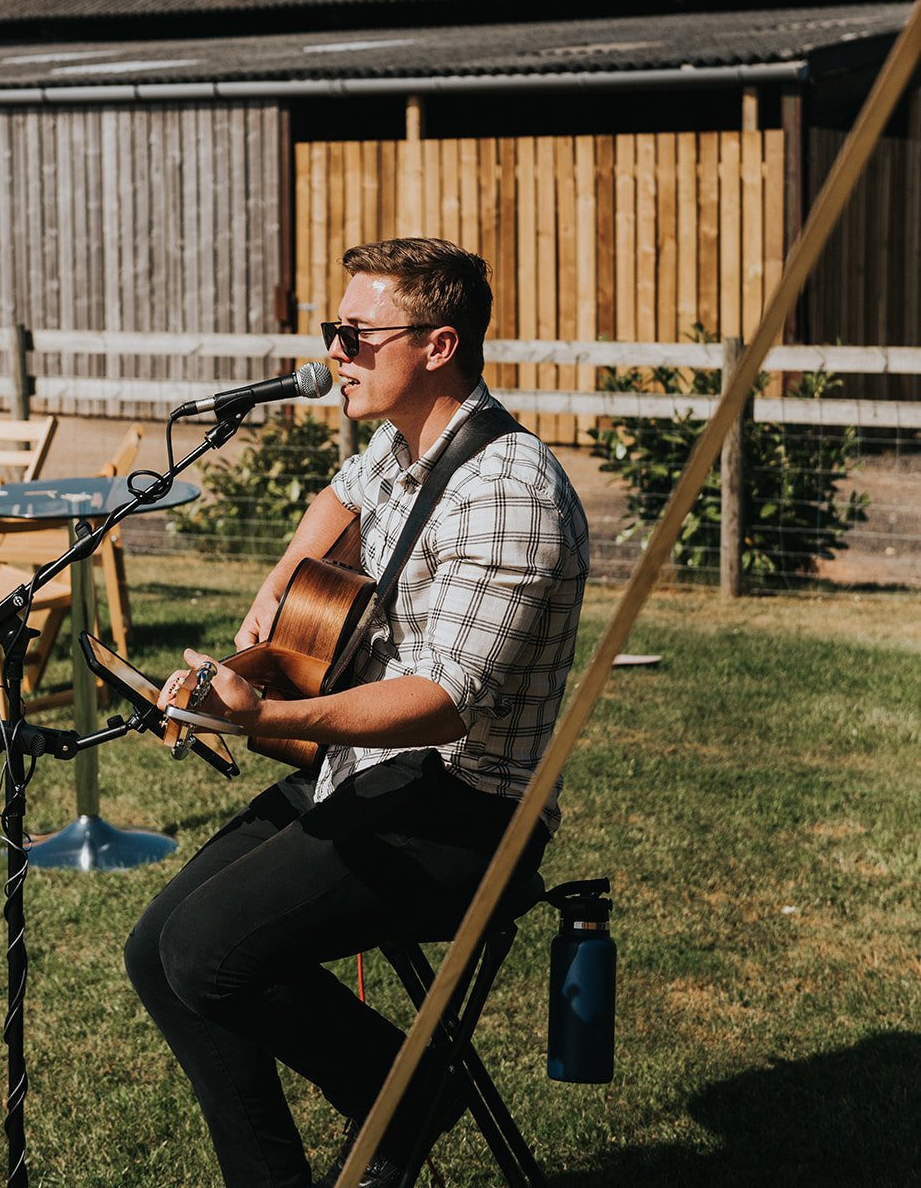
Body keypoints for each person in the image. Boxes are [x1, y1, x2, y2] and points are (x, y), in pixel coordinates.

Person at [125, 237, 589, 1188]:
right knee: (154, 953)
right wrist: (282, 584)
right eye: (333, 330)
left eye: (354, 334)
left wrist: (264, 720)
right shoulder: (402, 444)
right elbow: (338, 494)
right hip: (372, 778)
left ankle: (408, 1094)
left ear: (437, 344)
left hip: (469, 814)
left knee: (208, 955)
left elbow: (441, 703)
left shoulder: (508, 490)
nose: (334, 351)